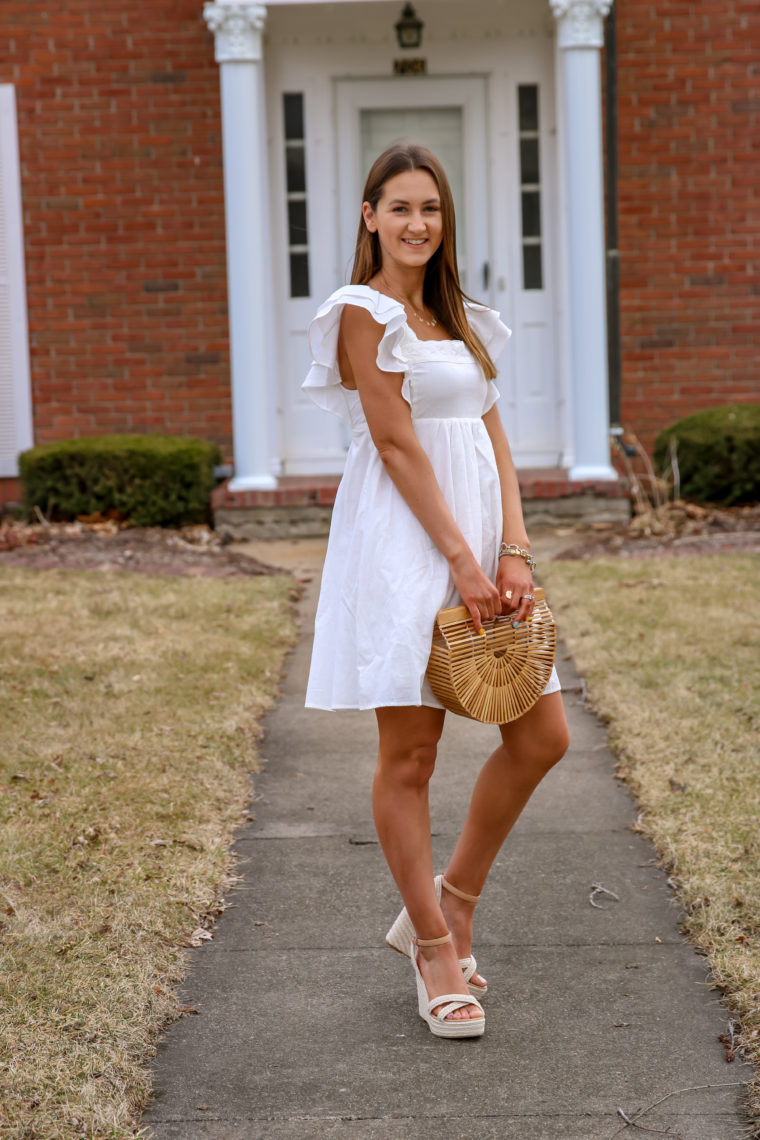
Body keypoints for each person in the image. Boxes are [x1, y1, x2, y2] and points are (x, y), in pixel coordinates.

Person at [302, 142, 570, 1038]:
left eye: (432, 208)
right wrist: (459, 558)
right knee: (411, 757)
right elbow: (396, 445)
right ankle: (431, 951)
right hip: (405, 543)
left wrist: (514, 548)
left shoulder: (462, 316)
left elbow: (494, 440)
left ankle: (454, 900)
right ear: (369, 216)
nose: (418, 223)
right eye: (400, 207)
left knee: (542, 736)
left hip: (483, 544)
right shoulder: (360, 313)